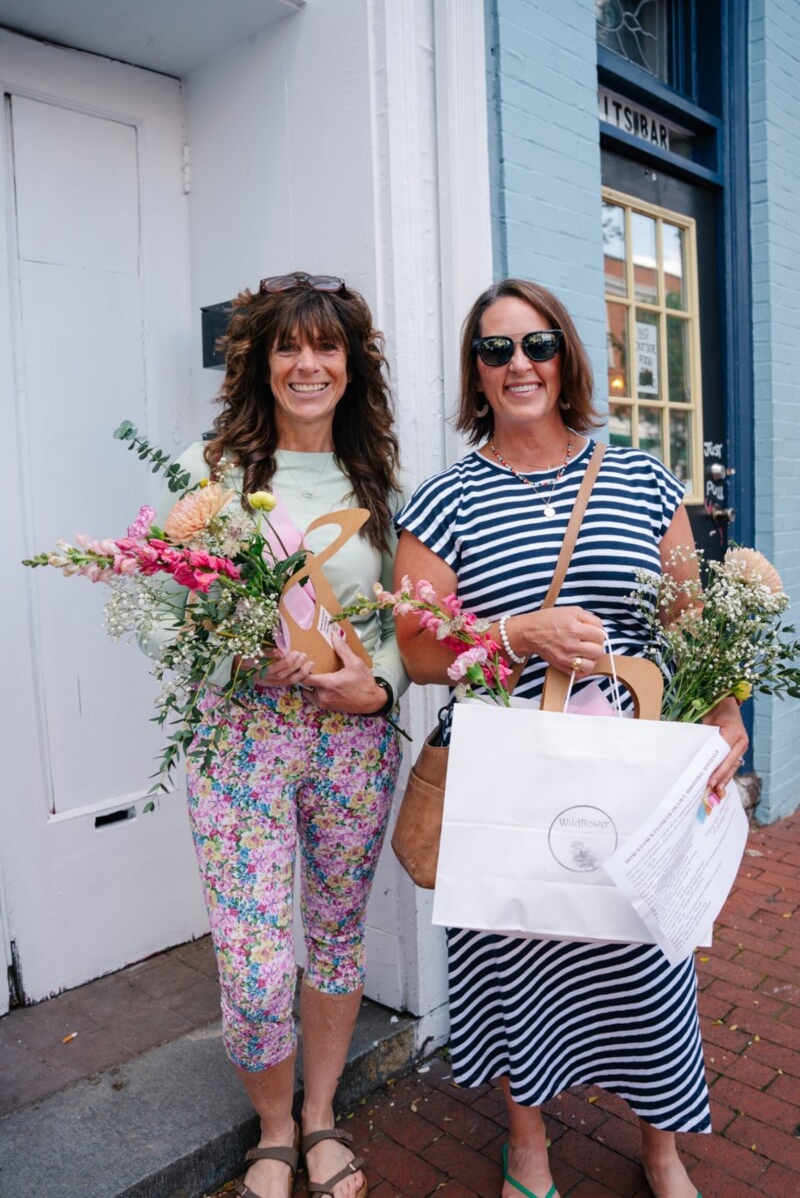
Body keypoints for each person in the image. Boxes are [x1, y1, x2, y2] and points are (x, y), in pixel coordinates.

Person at [393, 278, 747, 1198]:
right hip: (509, 773)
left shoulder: (641, 479)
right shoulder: (445, 501)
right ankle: (530, 1146)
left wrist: (725, 715)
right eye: (497, 349)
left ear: (566, 359)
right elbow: (421, 652)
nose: (520, 365)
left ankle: (662, 1149)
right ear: (476, 372)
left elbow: (689, 623)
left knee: (648, 951)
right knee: (517, 949)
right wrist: (520, 632)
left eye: (538, 345)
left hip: (628, 772)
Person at [142, 272, 407, 1198]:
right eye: (287, 346)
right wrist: (237, 663)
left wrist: (378, 690)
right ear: (257, 361)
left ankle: (322, 1115)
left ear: (349, 364)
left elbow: (405, 626)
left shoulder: (380, 478)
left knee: (334, 938)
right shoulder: (203, 473)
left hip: (352, 746)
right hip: (241, 740)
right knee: (255, 962)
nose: (307, 364)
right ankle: (273, 1126)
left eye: (326, 346)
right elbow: (165, 613)